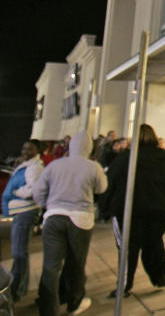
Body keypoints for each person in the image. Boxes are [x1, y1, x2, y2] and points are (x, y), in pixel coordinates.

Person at [34, 132, 108, 316]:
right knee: (76, 263)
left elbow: (38, 191)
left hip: (54, 216)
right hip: (81, 219)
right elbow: (102, 188)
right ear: (89, 148)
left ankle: (48, 308)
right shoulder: (93, 167)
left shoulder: (55, 165)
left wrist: (48, 205)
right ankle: (74, 302)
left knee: (50, 266)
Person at [101, 124, 165, 297]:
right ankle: (159, 275)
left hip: (130, 210)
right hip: (157, 209)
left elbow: (110, 182)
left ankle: (125, 284)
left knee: (128, 248)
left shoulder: (126, 158)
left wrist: (105, 208)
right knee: (154, 242)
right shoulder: (164, 157)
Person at [1, 139, 44, 303]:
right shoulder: (28, 165)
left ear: (37, 151)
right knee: (19, 253)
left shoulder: (35, 168)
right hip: (20, 213)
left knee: (19, 253)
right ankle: (18, 287)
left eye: (30, 149)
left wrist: (16, 192)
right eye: (24, 148)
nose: (25, 151)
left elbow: (33, 190)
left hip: (24, 213)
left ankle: (17, 290)